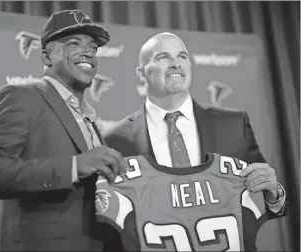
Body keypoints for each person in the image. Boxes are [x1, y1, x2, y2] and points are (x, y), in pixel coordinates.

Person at [103, 32, 287, 250]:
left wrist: (275, 194)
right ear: (142, 73)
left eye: (182, 56)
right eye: (163, 57)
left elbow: (266, 201)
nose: (175, 64)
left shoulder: (233, 124)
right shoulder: (114, 139)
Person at [0, 10, 126, 252]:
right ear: (47, 57)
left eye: (93, 47)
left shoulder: (88, 116)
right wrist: (72, 167)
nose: (88, 52)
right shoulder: (19, 97)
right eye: (73, 43)